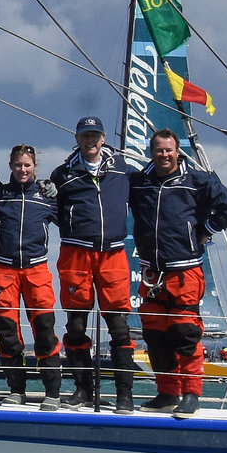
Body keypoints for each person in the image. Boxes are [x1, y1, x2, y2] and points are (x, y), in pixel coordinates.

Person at [128, 128, 227, 416]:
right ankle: (167, 393)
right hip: (152, 272)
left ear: (177, 151)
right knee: (155, 336)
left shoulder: (198, 180)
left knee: (185, 332)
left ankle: (192, 394)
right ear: (151, 152)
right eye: (159, 150)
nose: (164, 155)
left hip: (185, 270)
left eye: (169, 150)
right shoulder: (140, 182)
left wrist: (205, 230)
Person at [52, 115, 140, 413]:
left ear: (103, 139)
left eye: (95, 135)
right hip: (76, 253)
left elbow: (150, 192)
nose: (90, 140)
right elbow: (46, 209)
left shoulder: (123, 169)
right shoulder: (63, 174)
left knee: (119, 327)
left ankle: (124, 395)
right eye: (84, 136)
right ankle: (82, 390)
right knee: (76, 326)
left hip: (113, 253)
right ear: (77, 139)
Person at [0, 144, 64, 407]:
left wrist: (54, 187)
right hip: (3, 269)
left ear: (34, 167)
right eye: (18, 165)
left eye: (27, 165)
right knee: (7, 333)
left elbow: (71, 215)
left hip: (36, 269)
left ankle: (52, 392)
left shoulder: (46, 196)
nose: (22, 169)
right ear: (10, 166)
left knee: (44, 330)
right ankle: (16, 389)